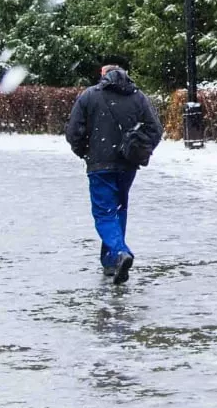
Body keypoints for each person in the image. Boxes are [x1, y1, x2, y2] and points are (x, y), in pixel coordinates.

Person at [65, 62, 163, 284]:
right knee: (119, 209)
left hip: (99, 164)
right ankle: (111, 262)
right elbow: (155, 129)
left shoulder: (90, 96)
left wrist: (84, 152)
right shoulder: (138, 97)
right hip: (127, 164)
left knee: (104, 212)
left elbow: (73, 131)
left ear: (103, 75)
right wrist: (139, 150)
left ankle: (119, 252)